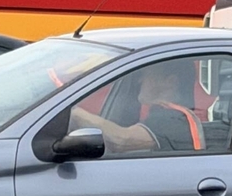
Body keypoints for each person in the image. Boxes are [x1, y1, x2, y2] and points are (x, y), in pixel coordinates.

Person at [68, 60, 203, 154]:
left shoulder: (174, 118)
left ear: (170, 82)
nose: (139, 81)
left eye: (146, 75)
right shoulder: (167, 114)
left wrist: (74, 113)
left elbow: (122, 140)